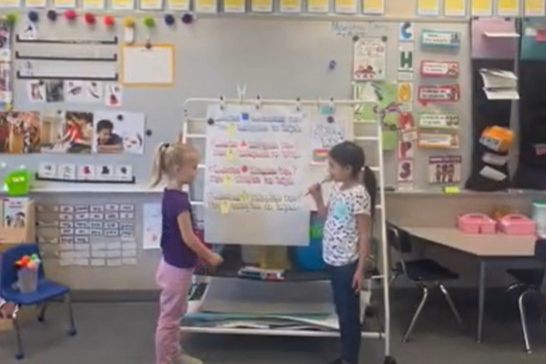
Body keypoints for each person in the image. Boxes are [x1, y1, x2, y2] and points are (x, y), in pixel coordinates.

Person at [150, 141, 223, 364]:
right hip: (176, 270)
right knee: (169, 320)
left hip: (174, 266)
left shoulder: (172, 194)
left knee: (175, 315)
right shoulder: (178, 202)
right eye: (192, 167)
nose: (195, 172)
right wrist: (209, 256)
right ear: (176, 169)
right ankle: (165, 360)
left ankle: (173, 354)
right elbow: (188, 237)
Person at [308, 141, 376, 364]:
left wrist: (360, 270)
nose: (329, 170)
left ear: (348, 169)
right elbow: (325, 218)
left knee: (348, 316)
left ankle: (350, 360)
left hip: (347, 263)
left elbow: (365, 234)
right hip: (333, 260)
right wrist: (317, 198)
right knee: (341, 310)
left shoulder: (359, 195)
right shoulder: (337, 188)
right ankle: (346, 356)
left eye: (333, 166)